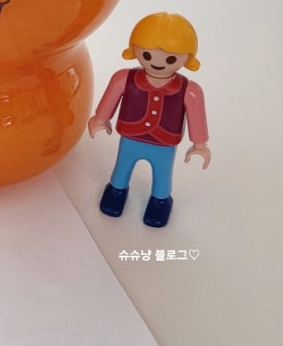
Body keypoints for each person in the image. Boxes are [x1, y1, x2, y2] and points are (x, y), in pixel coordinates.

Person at [88, 12, 210, 227]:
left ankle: (160, 201)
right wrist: (100, 119)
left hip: (164, 143)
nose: (157, 63)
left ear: (187, 58)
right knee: (122, 168)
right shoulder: (124, 79)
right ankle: (116, 191)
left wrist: (199, 144)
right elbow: (110, 98)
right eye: (147, 55)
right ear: (134, 49)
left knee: (162, 175)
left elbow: (196, 115)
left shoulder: (189, 91)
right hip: (130, 137)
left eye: (170, 58)